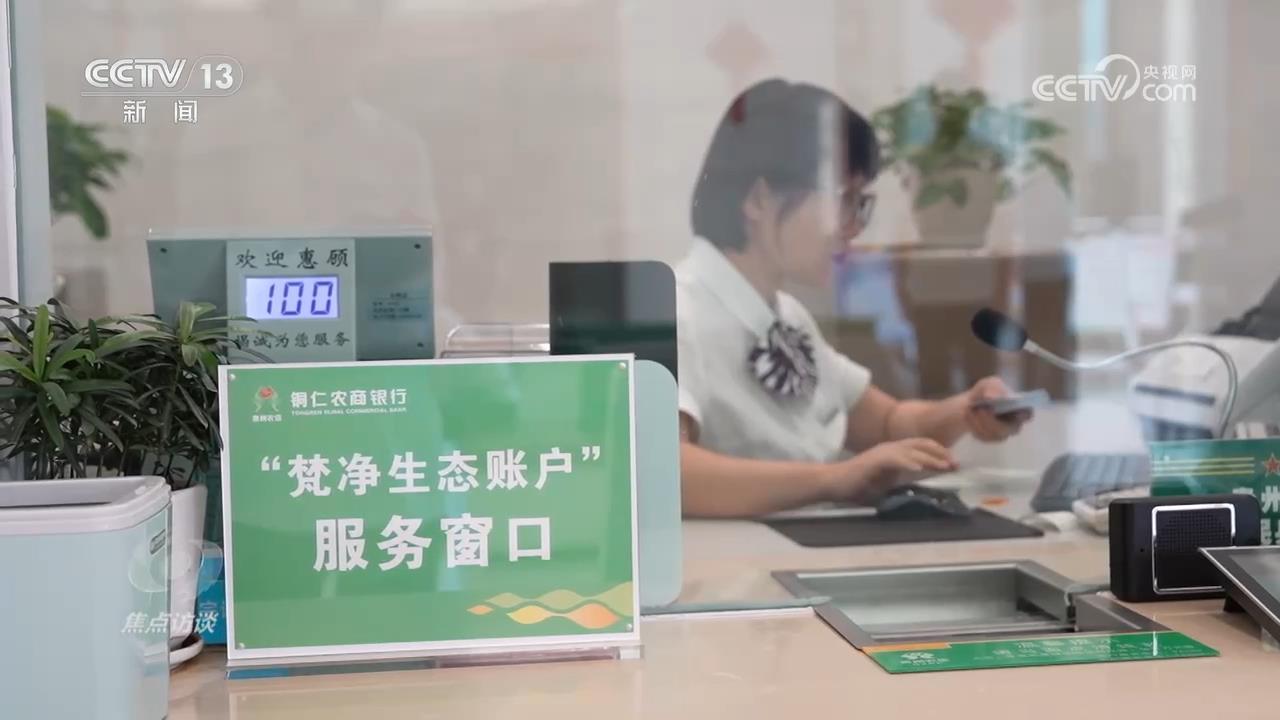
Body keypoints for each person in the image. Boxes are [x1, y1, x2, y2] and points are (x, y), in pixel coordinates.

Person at [677, 79, 1031, 518]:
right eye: (845, 201)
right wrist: (835, 478)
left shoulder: (786, 316)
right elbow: (664, 470)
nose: (854, 227)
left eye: (862, 204)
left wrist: (966, 410)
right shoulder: (675, 312)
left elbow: (887, 424)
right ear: (759, 199)